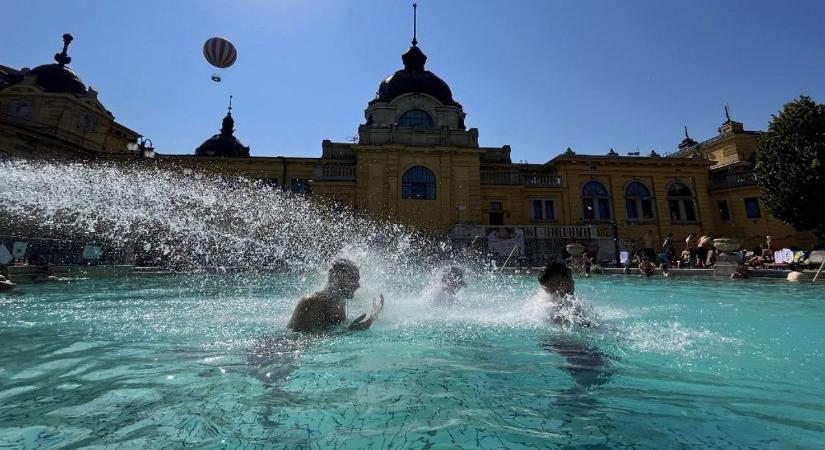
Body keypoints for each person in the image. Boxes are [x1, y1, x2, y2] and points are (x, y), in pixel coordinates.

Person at [287, 258, 383, 332]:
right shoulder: (311, 302)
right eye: (352, 279)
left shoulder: (339, 299)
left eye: (357, 280)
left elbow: (333, 327)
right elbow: (301, 341)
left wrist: (372, 317)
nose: (358, 285)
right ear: (334, 278)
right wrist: (348, 331)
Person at [537, 262, 593, 327]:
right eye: (561, 284)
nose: (573, 283)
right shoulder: (548, 308)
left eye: (570, 278)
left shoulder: (573, 302)